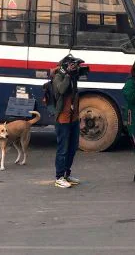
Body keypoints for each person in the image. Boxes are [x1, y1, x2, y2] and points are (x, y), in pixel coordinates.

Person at [48, 54, 84, 188]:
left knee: (72, 148)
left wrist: (73, 74)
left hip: (73, 118)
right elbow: (62, 90)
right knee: (63, 149)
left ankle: (67, 174)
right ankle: (59, 177)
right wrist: (68, 75)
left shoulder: (72, 77)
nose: (74, 68)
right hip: (63, 118)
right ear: (65, 66)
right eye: (71, 65)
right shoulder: (58, 76)